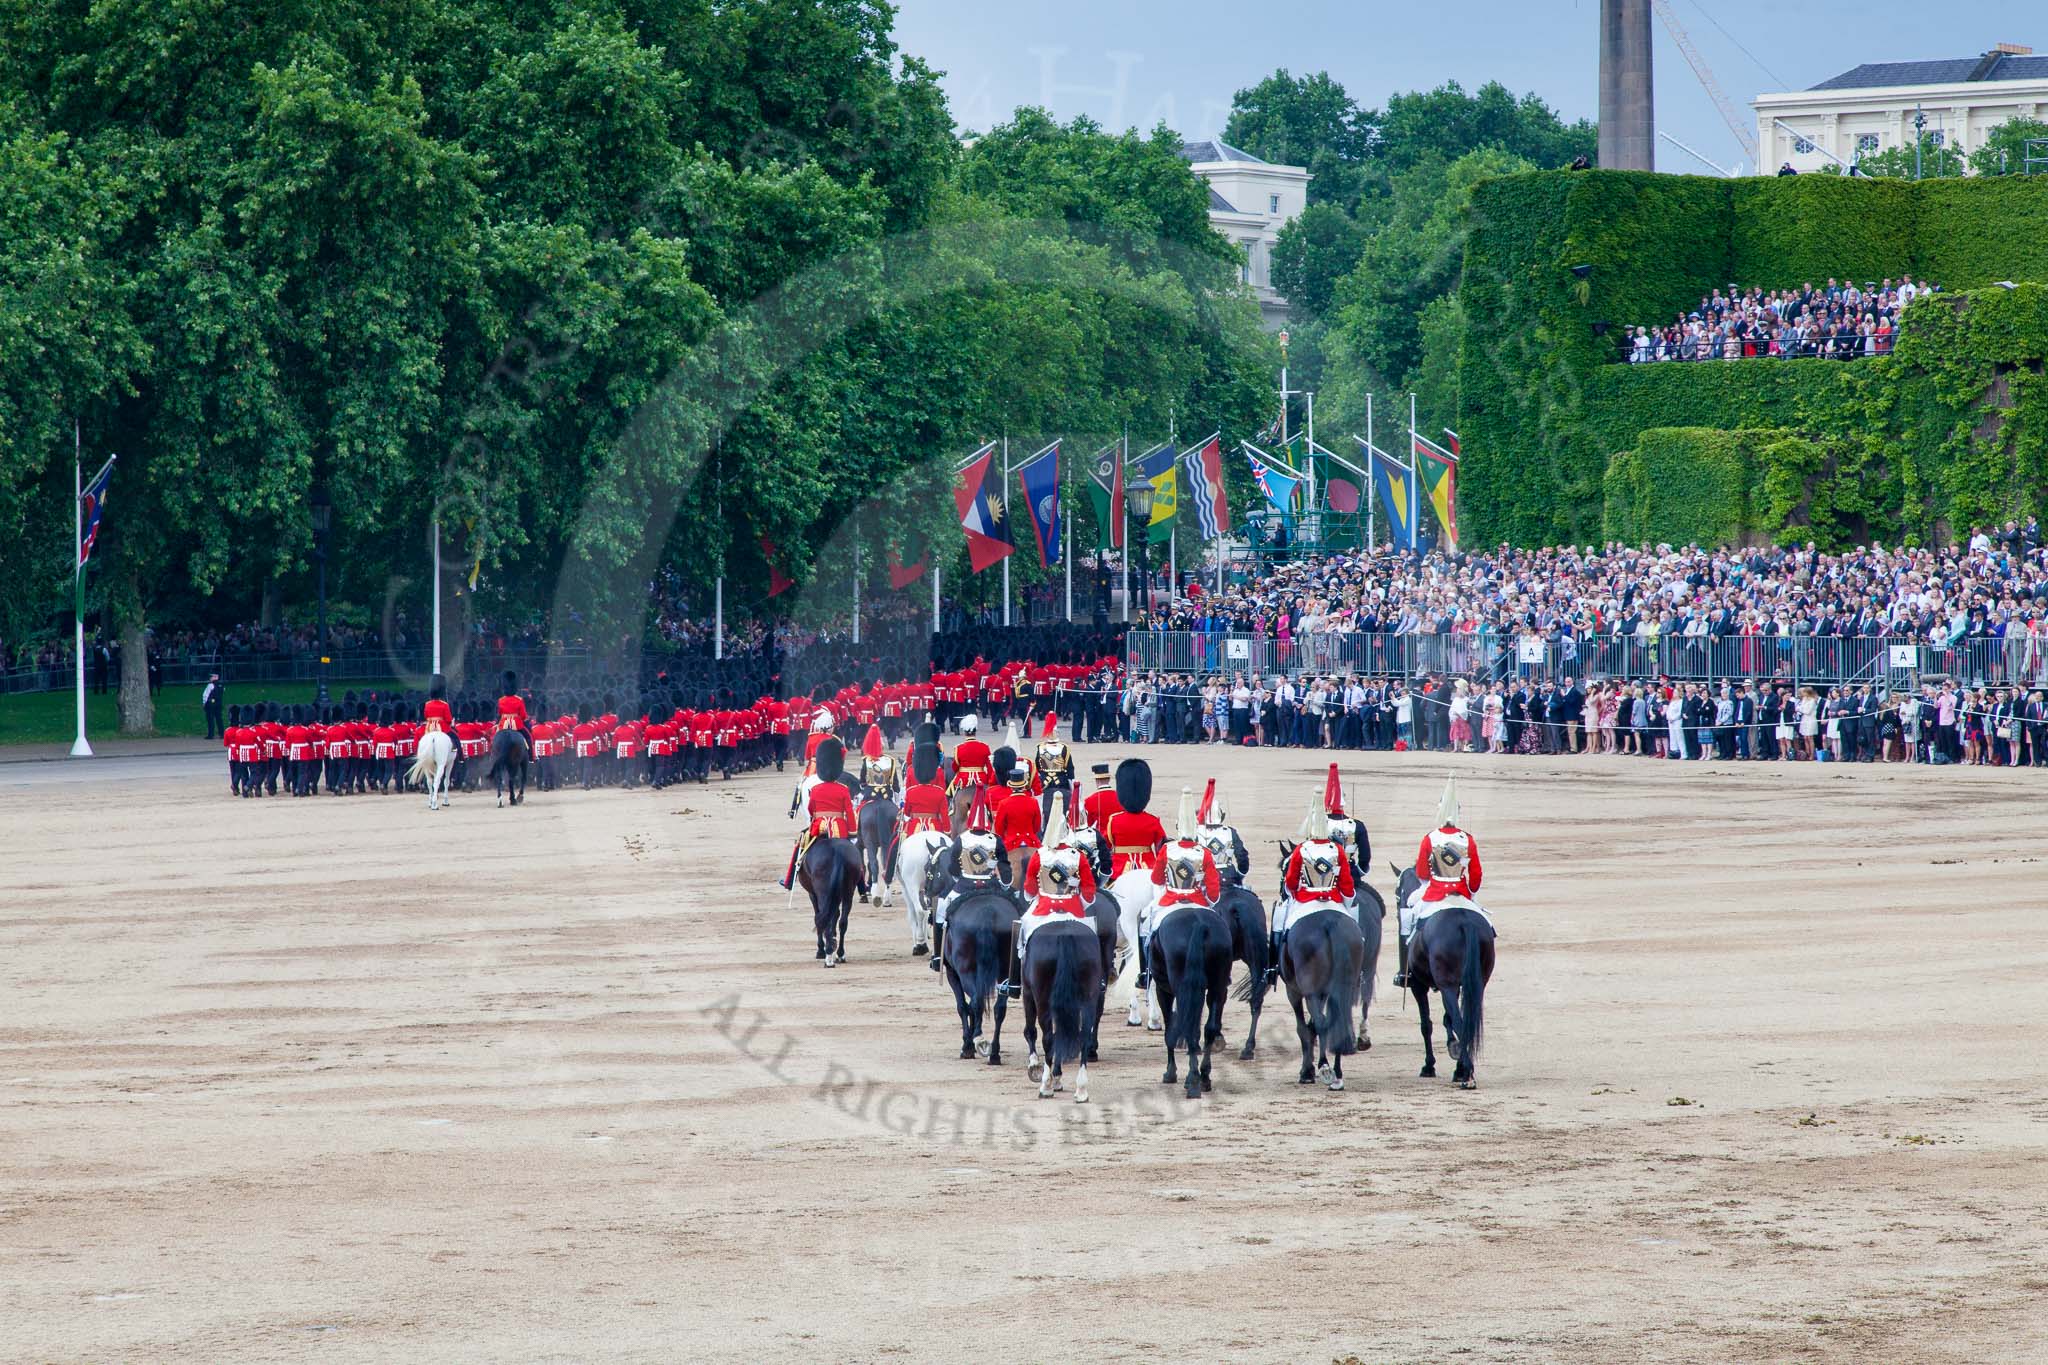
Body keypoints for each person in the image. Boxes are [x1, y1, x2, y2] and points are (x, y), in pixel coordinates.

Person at [1397, 774, 1488, 987]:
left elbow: (1420, 872)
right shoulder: (1467, 839)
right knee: (1485, 923)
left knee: (1409, 915)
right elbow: (1476, 875)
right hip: (1462, 892)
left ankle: (1406, 971)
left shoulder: (1430, 838)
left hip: (1434, 890)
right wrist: (1471, 893)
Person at [1270, 793, 1355, 984]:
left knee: (1279, 921)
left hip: (1305, 901)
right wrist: (1346, 902)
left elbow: (1291, 881)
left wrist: (1294, 894)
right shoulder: (1338, 849)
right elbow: (1347, 884)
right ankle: (1359, 973)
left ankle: (1273, 967)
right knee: (1356, 928)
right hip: (1334, 901)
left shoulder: (1301, 849)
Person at [781, 735, 855, 891]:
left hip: (818, 826)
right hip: (839, 828)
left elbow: (810, 809)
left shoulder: (814, 788)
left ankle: (790, 879)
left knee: (800, 846)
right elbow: (849, 811)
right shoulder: (843, 788)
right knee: (854, 857)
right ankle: (862, 888)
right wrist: (853, 832)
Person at [1081, 761, 1121, 835]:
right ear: (1109, 779)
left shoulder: (1090, 800)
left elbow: (1088, 824)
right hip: (1120, 835)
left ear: (1097, 780)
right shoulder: (1121, 797)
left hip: (1102, 838)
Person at [201, 673, 224, 740]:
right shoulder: (222, 685)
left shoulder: (210, 685)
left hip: (210, 704)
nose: (210, 678)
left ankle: (211, 735)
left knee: (210, 719)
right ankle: (222, 734)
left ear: (215, 677)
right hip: (219, 704)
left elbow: (205, 695)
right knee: (219, 719)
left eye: (212, 677)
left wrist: (204, 703)